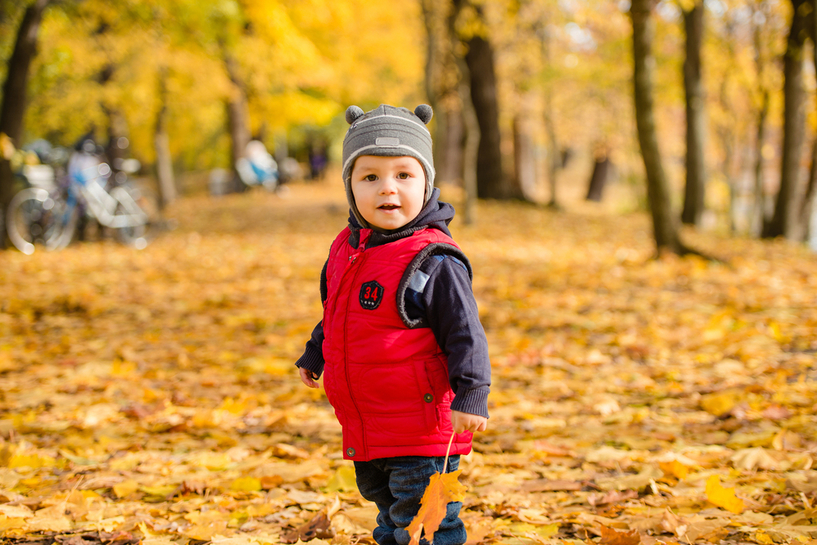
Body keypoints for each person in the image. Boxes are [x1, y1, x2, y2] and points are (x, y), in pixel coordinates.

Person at [295, 104, 491, 545]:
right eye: (370, 178)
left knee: (425, 526)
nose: (388, 189)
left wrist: (472, 393)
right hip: (370, 424)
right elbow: (339, 314)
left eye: (404, 175)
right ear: (349, 186)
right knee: (390, 520)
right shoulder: (347, 248)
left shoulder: (434, 260)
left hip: (422, 430)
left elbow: (466, 333)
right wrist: (316, 351)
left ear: (427, 183)